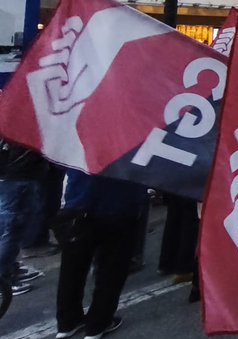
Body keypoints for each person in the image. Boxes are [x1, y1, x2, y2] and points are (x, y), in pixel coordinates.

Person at [55, 170, 147, 339]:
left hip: (78, 202)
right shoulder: (131, 144)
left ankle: (67, 322)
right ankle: (98, 324)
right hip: (120, 205)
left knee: (72, 268)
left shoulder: (80, 142)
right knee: (111, 271)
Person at [0, 139, 48, 297]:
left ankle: (10, 268)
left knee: (13, 226)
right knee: (11, 228)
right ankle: (3, 279)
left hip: (19, 172)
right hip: (14, 174)